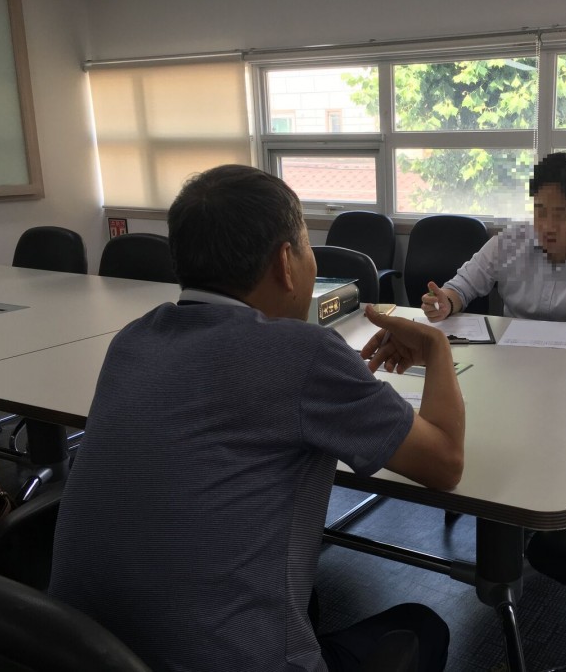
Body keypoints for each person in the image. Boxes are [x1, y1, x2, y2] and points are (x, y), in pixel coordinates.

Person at [48, 164, 464, 672]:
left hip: (74, 653)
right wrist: (437, 348)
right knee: (424, 626)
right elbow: (445, 463)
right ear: (286, 263)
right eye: (307, 246)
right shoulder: (304, 352)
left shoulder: (132, 340)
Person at [420, 152, 566, 327]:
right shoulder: (509, 243)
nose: (548, 226)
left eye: (561, 214)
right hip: (515, 357)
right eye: (540, 211)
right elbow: (461, 288)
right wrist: (445, 302)